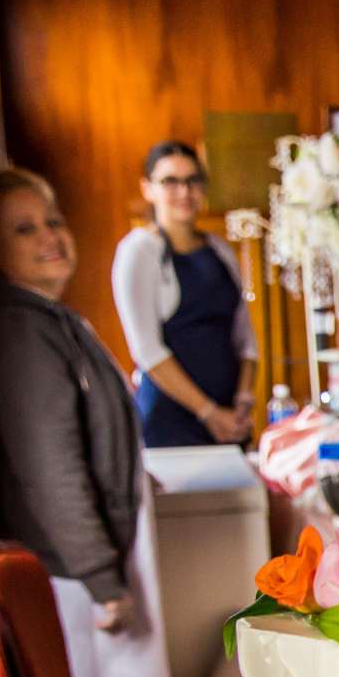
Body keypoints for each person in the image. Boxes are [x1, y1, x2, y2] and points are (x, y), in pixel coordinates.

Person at [0, 165, 173, 677]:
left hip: (75, 567)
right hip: (66, 578)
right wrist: (101, 577)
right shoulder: (16, 330)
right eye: (24, 229)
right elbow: (49, 466)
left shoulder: (43, 316)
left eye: (52, 221)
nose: (50, 237)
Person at [110, 140, 257, 448]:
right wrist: (209, 413)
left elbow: (245, 337)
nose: (184, 192)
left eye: (193, 181)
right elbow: (147, 351)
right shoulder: (138, 251)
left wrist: (242, 401)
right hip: (172, 424)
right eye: (170, 182)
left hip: (230, 420)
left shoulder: (220, 250)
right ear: (147, 188)